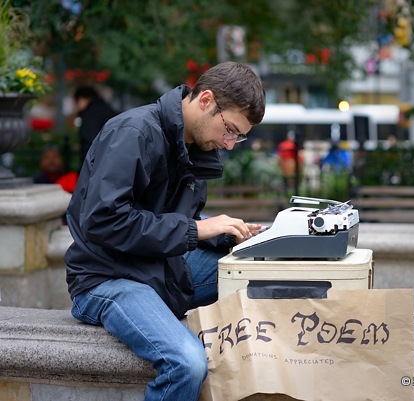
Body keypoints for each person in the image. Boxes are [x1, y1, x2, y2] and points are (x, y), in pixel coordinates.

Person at [65, 62, 265, 401]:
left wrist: (226, 233)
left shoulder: (192, 146)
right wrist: (197, 228)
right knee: (187, 363)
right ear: (205, 100)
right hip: (106, 278)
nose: (230, 144)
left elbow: (175, 222)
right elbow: (102, 221)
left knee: (262, 273)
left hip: (156, 267)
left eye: (238, 136)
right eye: (229, 129)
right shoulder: (133, 132)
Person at [73, 85, 117, 167]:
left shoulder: (89, 115)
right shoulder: (107, 110)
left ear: (81, 99)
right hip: (113, 160)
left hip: (98, 165)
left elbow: (89, 141)